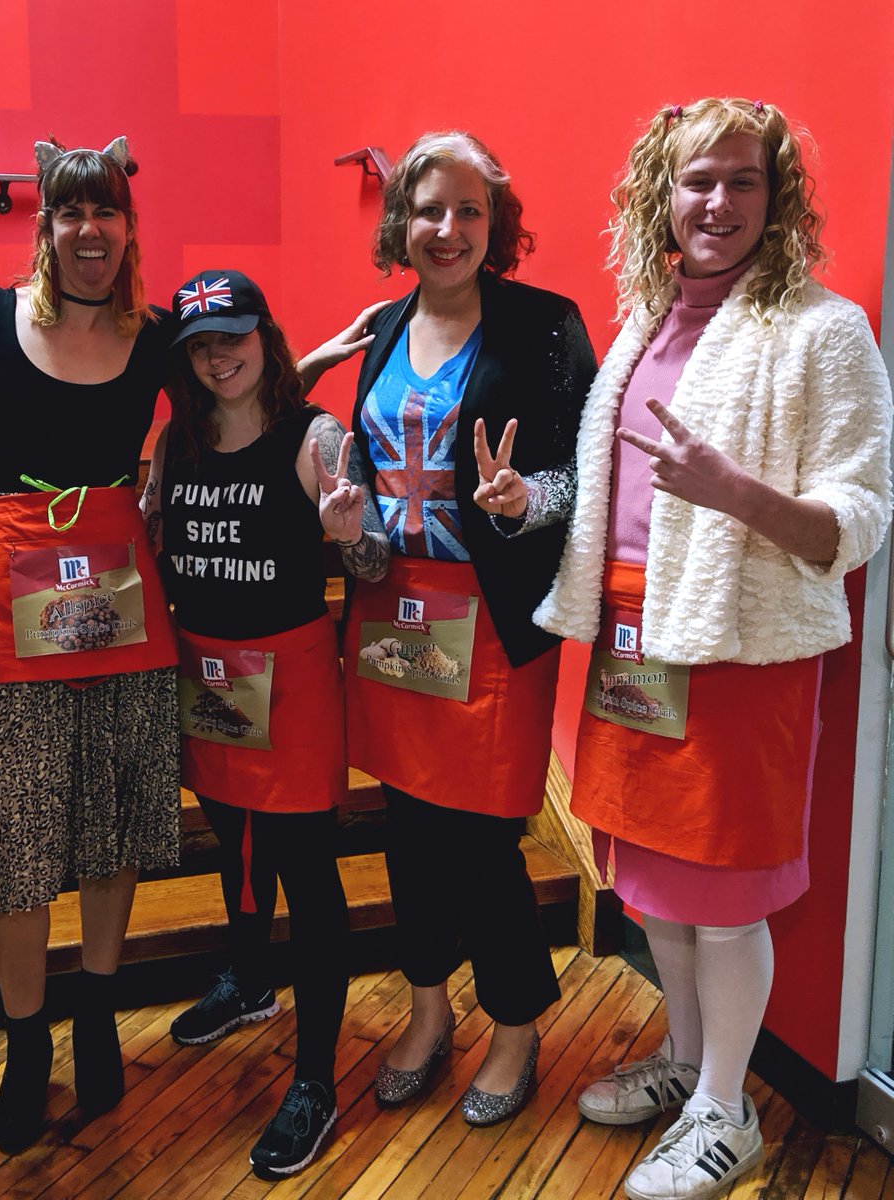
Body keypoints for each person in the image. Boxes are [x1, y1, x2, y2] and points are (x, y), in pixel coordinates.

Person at [536, 98, 892, 1200]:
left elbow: (862, 510)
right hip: (634, 643)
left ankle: (728, 1111)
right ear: (662, 192)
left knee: (726, 894)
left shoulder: (824, 330)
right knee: (652, 887)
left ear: (775, 198)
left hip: (739, 651)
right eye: (700, 180)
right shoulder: (644, 320)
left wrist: (740, 496)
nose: (720, 202)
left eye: (744, 181)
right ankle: (689, 1068)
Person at [0, 137, 181, 1154]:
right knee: (15, 838)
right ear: (47, 227)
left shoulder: (156, 336)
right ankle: (27, 1043)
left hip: (120, 599)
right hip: (13, 600)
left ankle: (97, 1013)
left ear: (126, 228)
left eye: (106, 212)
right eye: (71, 213)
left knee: (108, 820)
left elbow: (240, 391)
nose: (90, 230)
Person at [343, 131, 597, 1124]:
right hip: (396, 611)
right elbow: (369, 459)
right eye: (427, 209)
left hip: (491, 622)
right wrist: (348, 510)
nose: (446, 230)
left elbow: (587, 480)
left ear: (497, 226)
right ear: (401, 221)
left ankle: (518, 1023)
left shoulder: (544, 327)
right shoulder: (382, 328)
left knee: (485, 836)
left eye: (468, 212)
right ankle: (425, 1010)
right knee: (407, 822)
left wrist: (520, 498)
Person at [141, 269, 389, 1177]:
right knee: (231, 836)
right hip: (207, 673)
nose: (219, 356)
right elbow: (160, 535)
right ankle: (249, 983)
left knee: (303, 867)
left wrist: (351, 531)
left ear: (265, 336)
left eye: (233, 336)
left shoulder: (314, 436)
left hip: (287, 682)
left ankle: (316, 1080)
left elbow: (370, 561)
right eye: (203, 344)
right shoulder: (180, 439)